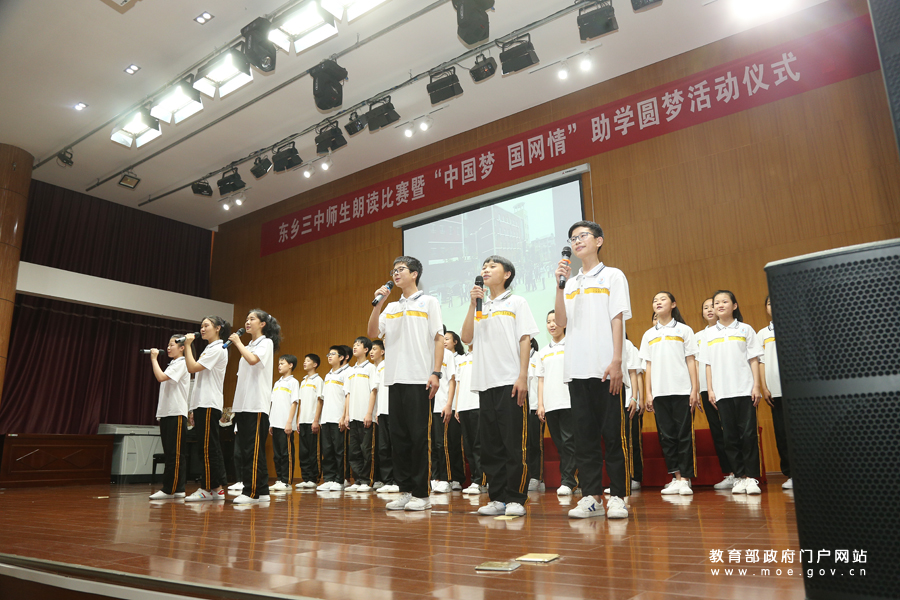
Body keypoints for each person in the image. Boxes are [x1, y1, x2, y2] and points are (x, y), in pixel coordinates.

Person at [554, 220, 631, 520]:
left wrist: (617, 361)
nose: (576, 241)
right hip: (577, 370)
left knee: (613, 437)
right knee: (584, 440)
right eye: (572, 238)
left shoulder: (613, 275)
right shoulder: (570, 283)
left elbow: (617, 318)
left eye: (582, 236)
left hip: (605, 369)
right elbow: (561, 322)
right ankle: (591, 497)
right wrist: (559, 285)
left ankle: (619, 497)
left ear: (598, 241)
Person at [462, 255, 539, 518]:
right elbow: (466, 337)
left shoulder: (517, 302)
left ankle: (516, 497)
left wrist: (522, 375)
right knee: (491, 445)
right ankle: (497, 498)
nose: (486, 269)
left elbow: (525, 339)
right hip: (485, 383)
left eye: (492, 266)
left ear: (507, 274)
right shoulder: (480, 306)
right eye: (484, 266)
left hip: (510, 381)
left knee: (514, 444)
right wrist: (472, 304)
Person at [368, 256, 444, 512]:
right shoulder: (390, 307)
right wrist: (379, 304)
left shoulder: (429, 302)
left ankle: (422, 494)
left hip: (419, 379)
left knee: (419, 438)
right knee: (399, 439)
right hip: (394, 379)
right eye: (393, 270)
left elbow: (438, 338)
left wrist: (436, 372)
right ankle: (405, 491)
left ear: (414, 274)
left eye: (400, 269)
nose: (395, 274)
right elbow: (372, 333)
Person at [699, 290, 764, 495]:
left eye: (724, 301)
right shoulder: (708, 334)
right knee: (730, 436)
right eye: (716, 302)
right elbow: (707, 364)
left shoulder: (745, 329)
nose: (719, 305)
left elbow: (754, 359)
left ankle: (751, 478)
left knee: (748, 434)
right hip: (722, 392)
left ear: (734, 306)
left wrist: (756, 386)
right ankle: (739, 477)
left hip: (745, 389)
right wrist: (710, 389)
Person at [640, 292, 700, 497]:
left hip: (682, 390)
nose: (658, 302)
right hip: (660, 392)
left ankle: (686, 478)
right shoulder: (649, 334)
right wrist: (649, 393)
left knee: (684, 435)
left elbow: (691, 360)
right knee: (666, 437)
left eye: (662, 299)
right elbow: (648, 366)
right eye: (654, 300)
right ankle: (676, 477)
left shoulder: (684, 330)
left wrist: (694, 389)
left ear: (673, 304)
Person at [229, 309, 280, 505]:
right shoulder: (250, 345)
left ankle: (250, 492)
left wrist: (238, 343)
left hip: (256, 404)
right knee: (247, 450)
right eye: (246, 319)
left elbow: (253, 360)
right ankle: (263, 491)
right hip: (243, 404)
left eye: (252, 319)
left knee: (253, 450)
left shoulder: (265, 343)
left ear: (263, 324)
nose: (247, 322)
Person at [183, 316, 230, 502]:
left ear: (218, 328)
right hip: (201, 403)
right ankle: (216, 489)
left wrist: (187, 345)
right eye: (201, 326)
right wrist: (193, 408)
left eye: (206, 325)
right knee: (206, 447)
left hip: (209, 403)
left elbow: (192, 367)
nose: (202, 329)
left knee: (209, 447)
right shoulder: (208, 349)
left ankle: (208, 488)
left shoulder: (218, 348)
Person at [536, 310, 577, 496]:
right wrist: (541, 404)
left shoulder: (572, 345)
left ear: (565, 323)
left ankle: (568, 481)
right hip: (551, 404)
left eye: (555, 321)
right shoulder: (543, 352)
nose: (552, 325)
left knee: (569, 442)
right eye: (548, 321)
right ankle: (575, 477)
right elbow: (541, 380)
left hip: (568, 401)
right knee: (560, 443)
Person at [697, 297, 734, 489]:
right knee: (717, 432)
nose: (710, 309)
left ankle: (742, 472)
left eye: (713, 306)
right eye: (706, 307)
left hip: (728, 387)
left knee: (732, 430)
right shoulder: (697, 336)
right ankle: (729, 473)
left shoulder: (731, 331)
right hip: (706, 389)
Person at [149, 336, 190, 500]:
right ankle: (178, 488)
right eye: (168, 344)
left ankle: (170, 489)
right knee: (170, 452)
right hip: (167, 413)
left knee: (175, 453)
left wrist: (154, 359)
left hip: (176, 413)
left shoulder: (182, 363)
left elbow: (160, 377)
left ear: (182, 348)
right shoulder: (172, 364)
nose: (168, 347)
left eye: (172, 344)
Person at [758, 295, 791, 490]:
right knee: (782, 434)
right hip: (775, 392)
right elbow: (761, 362)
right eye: (770, 303)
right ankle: (791, 474)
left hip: (795, 392)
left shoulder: (794, 327)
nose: (774, 306)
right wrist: (764, 387)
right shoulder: (762, 334)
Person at [344, 337, 378, 492]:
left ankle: (367, 480)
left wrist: (369, 413)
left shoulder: (370, 368)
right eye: (354, 344)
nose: (355, 347)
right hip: (353, 416)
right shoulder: (350, 371)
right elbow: (348, 394)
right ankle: (357, 480)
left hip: (365, 415)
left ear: (366, 349)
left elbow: (373, 391)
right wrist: (346, 415)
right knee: (354, 451)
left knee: (367, 450)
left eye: (358, 345)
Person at [315, 345, 350, 492]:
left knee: (339, 451)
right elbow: (323, 399)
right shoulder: (327, 375)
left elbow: (347, 396)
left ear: (341, 357)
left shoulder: (346, 373)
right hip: (326, 418)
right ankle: (329, 479)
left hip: (338, 418)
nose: (329, 356)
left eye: (333, 354)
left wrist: (343, 416)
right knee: (327, 451)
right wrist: (319, 419)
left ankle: (341, 480)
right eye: (328, 354)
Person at [431, 331, 461, 493]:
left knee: (443, 444)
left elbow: (452, 380)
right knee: (432, 444)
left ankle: (446, 478)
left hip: (442, 404)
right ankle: (435, 477)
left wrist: (449, 404)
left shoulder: (447, 354)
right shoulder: (426, 352)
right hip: (429, 406)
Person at [454, 340, 485, 495]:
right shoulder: (461, 359)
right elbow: (458, 384)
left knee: (479, 444)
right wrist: (457, 406)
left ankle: (481, 481)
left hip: (478, 404)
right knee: (468, 446)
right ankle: (474, 479)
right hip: (464, 406)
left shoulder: (482, 354)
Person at [371, 340, 399, 493]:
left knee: (396, 446)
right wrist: (376, 411)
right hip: (382, 411)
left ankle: (398, 481)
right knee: (383, 447)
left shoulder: (398, 361)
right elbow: (376, 390)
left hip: (395, 411)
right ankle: (387, 481)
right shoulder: (380, 366)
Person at [269, 355, 300, 492]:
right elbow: (273, 403)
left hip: (285, 424)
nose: (279, 366)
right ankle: (279, 479)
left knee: (286, 453)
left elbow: (294, 403)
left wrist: (289, 422)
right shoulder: (277, 383)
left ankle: (286, 481)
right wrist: (271, 422)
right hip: (275, 423)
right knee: (277, 454)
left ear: (290, 365)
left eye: (282, 363)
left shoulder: (293, 382)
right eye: (279, 363)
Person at [295, 354, 323, 489]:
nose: (304, 363)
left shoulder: (318, 380)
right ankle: (305, 478)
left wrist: (316, 420)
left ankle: (314, 478)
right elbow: (301, 403)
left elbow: (320, 401)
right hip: (303, 421)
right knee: (303, 452)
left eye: (308, 361)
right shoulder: (303, 381)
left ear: (315, 364)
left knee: (313, 452)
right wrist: (298, 419)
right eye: (304, 360)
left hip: (313, 421)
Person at [526, 338, 545, 492]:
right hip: (520, 408)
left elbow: (541, 382)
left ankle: (537, 477)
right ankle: (525, 476)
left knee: (535, 444)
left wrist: (540, 405)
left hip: (534, 407)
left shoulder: (538, 356)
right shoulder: (516, 356)